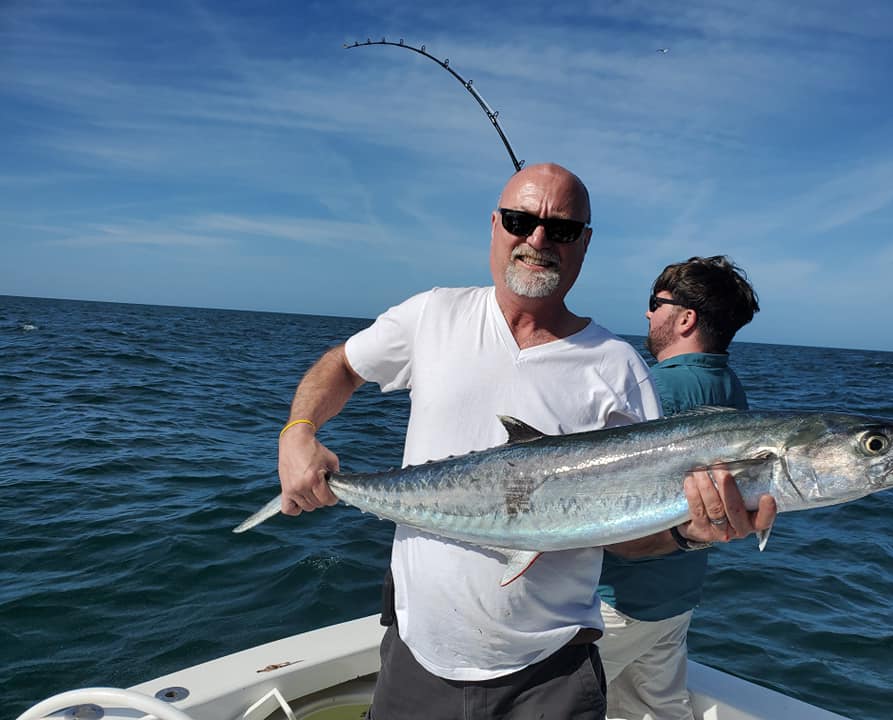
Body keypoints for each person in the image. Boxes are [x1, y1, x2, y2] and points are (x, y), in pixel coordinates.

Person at [276, 165, 776, 720]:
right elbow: (341, 366)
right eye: (520, 220)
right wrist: (299, 433)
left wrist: (686, 535)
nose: (538, 239)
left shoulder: (617, 367)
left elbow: (626, 539)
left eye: (561, 230)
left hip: (551, 672)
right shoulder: (433, 314)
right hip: (417, 654)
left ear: (584, 244)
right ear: (495, 225)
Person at [598, 256, 761, 720]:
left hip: (615, 600)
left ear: (685, 318)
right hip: (677, 597)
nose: (648, 315)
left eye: (656, 304)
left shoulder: (649, 389)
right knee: (657, 710)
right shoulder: (730, 390)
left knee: (550, 703)